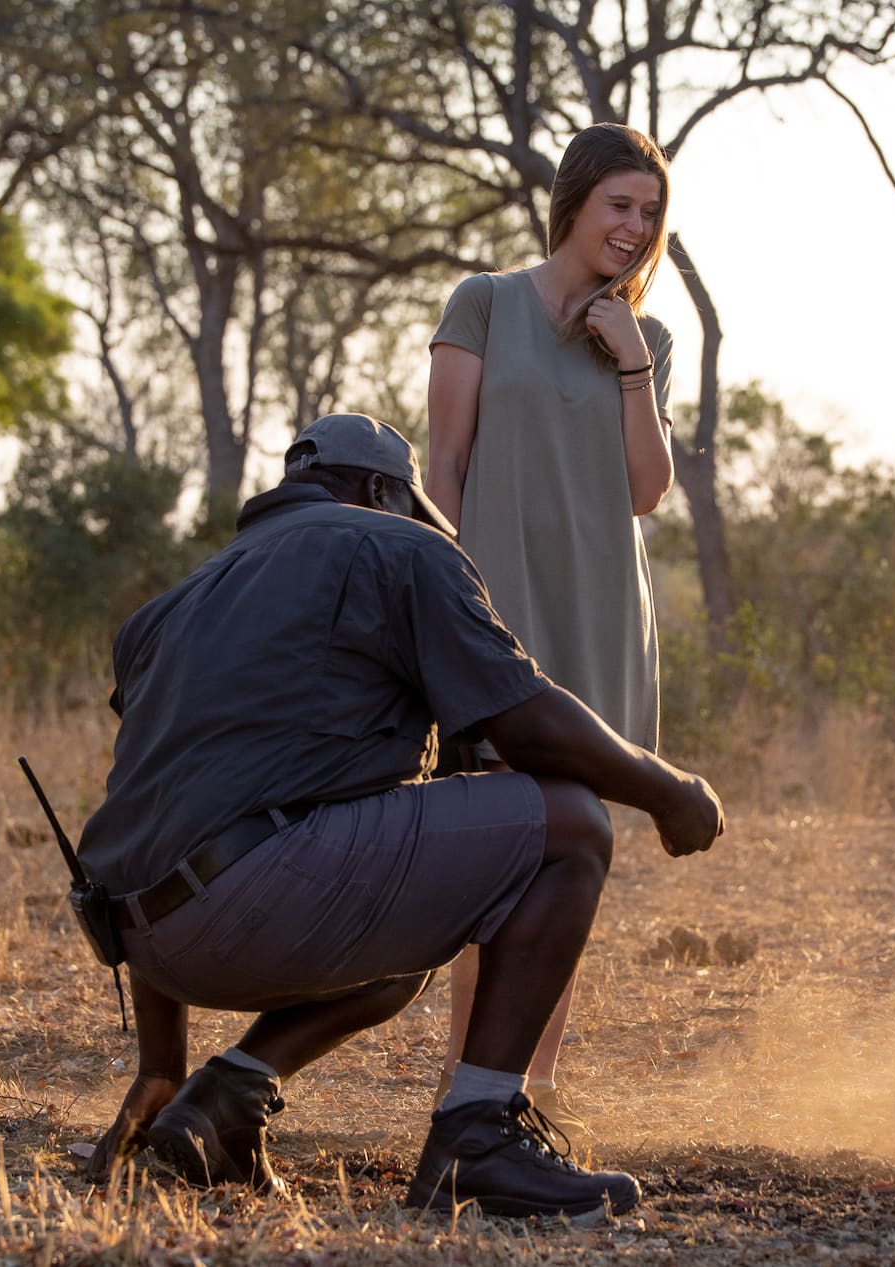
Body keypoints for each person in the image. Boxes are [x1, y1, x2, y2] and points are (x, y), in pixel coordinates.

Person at [76, 412, 725, 1221]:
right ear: (383, 490)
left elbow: (164, 810)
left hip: (148, 942)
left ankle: (228, 1093)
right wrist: (666, 787)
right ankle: (476, 1138)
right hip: (251, 908)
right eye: (411, 505)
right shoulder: (401, 546)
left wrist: (158, 1069)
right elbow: (525, 720)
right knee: (572, 824)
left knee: (415, 928)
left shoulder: (173, 604)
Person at [423, 123, 677, 1113]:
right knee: (493, 855)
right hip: (493, 605)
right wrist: (445, 603)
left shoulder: (643, 338)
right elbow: (442, 464)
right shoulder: (482, 302)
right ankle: (463, 1083)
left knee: (570, 852)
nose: (634, 227)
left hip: (602, 607)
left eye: (650, 214)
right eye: (620, 205)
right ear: (573, 202)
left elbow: (645, 493)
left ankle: (531, 1088)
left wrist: (631, 363)